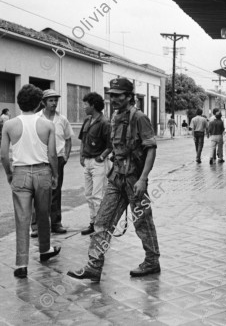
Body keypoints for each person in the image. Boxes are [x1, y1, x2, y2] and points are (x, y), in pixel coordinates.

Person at [67, 77, 160, 282]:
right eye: (112, 95)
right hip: (116, 178)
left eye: (118, 95)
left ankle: (152, 261)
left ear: (129, 96)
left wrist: (143, 179)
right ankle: (94, 266)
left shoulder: (139, 118)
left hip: (134, 180)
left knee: (142, 222)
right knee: (102, 221)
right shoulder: (115, 117)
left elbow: (151, 149)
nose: (114, 99)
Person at [0, 84, 60, 278]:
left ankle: (21, 264)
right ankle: (45, 250)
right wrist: (55, 175)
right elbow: (52, 155)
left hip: (20, 172)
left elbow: (3, 155)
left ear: (19, 102)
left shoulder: (10, 125)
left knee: (22, 218)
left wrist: (10, 173)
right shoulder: (47, 125)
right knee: (43, 214)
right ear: (38, 104)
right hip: (43, 172)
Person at [31, 89, 73, 236]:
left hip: (58, 160)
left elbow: (68, 139)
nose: (54, 103)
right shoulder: (36, 118)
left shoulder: (62, 120)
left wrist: (66, 156)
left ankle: (56, 223)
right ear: (43, 102)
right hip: (41, 159)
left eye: (56, 100)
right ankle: (36, 226)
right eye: (51, 100)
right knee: (39, 192)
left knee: (56, 192)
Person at [78, 92, 112, 236]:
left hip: (99, 163)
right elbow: (83, 140)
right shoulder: (87, 121)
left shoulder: (105, 123)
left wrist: (101, 157)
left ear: (93, 105)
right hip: (87, 161)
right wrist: (81, 155)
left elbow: (110, 145)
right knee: (88, 195)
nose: (83, 107)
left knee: (98, 196)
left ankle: (101, 226)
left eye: (86, 104)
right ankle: (93, 222)